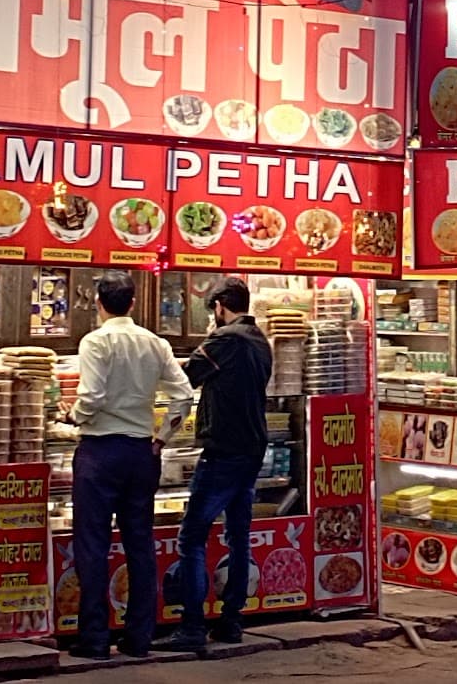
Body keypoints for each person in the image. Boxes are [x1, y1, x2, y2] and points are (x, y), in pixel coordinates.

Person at [66, 272, 194, 661]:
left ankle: (94, 638)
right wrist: (160, 439)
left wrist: (74, 416)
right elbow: (184, 396)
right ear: (133, 303)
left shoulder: (96, 341)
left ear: (99, 303)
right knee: (140, 544)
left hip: (100, 452)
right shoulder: (155, 343)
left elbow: (91, 395)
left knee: (93, 545)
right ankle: (139, 637)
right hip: (141, 453)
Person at [155, 279, 272, 658]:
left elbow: (186, 377)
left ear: (221, 305)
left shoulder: (228, 340)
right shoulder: (259, 339)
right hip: (252, 450)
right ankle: (231, 620)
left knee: (192, 536)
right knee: (238, 535)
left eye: (213, 311)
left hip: (223, 452)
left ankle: (191, 626)